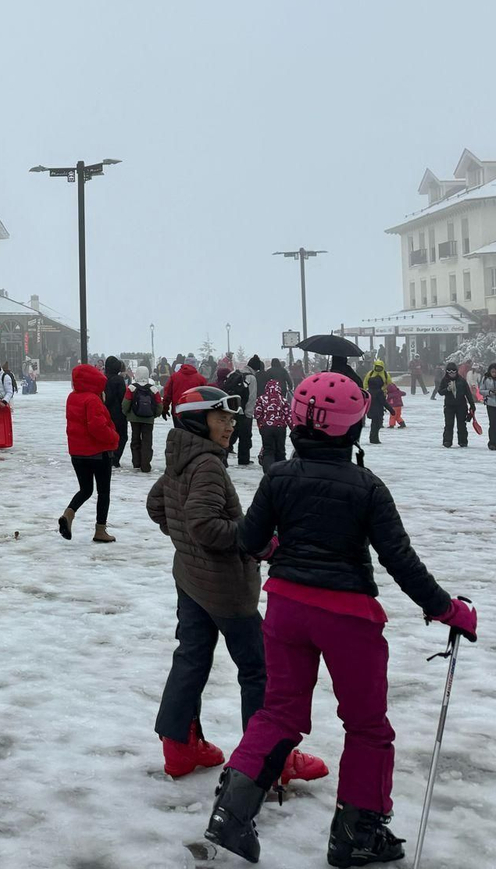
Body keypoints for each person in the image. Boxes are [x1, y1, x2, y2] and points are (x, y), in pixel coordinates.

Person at [203, 372, 477, 868]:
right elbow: (401, 561)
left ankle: (231, 812)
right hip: (348, 616)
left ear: (297, 422)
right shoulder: (368, 487)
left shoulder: (278, 475)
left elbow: (247, 540)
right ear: (352, 429)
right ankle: (357, 832)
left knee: (278, 713)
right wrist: (447, 609)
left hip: (286, 607)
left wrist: (282, 549)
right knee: (368, 725)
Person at [147, 387, 319, 782]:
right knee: (260, 670)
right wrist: (257, 540)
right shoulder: (206, 464)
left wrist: (187, 545)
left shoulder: (183, 456)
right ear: (196, 420)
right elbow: (205, 525)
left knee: (191, 657)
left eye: (231, 418)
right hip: (225, 588)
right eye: (220, 417)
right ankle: (270, 759)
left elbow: (159, 505)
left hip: (190, 580)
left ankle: (179, 746)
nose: (230, 424)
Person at [61, 362, 119, 542]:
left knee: (85, 489)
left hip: (77, 453)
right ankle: (100, 530)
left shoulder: (72, 397)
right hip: (98, 454)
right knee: (103, 492)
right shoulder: (92, 399)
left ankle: (68, 514)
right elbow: (97, 427)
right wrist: (114, 438)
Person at [254, 363, 293, 471]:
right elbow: (288, 415)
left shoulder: (261, 399)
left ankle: (268, 471)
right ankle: (281, 471)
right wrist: (293, 428)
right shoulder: (282, 399)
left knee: (268, 450)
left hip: (266, 427)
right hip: (280, 428)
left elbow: (257, 414)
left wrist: (261, 424)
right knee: (281, 451)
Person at [123, 364, 161, 472]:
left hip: (134, 418)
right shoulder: (153, 389)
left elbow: (126, 403)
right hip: (149, 419)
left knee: (135, 440)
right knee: (147, 441)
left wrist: (127, 414)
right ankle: (146, 465)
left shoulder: (131, 387)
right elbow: (159, 404)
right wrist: (155, 415)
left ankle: (136, 463)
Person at [432, 362, 475, 448]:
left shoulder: (462, 380)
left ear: (456, 371)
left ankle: (463, 441)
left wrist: (472, 405)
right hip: (449, 406)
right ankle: (447, 441)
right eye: (449, 372)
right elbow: (440, 392)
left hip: (461, 406)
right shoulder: (444, 380)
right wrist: (447, 389)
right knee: (449, 424)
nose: (452, 374)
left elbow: (468, 394)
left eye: (453, 371)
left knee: (461, 424)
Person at [224, 360, 258, 466]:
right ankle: (243, 460)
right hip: (244, 412)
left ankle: (222, 458)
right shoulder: (251, 378)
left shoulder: (234, 374)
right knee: (245, 437)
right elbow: (252, 397)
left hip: (232, 410)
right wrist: (249, 413)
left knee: (230, 434)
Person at [103, 355, 129, 469]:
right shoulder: (119, 380)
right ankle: (115, 458)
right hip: (118, 413)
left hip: (105, 412)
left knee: (108, 436)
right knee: (122, 436)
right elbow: (123, 397)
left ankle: (107, 457)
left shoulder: (102, 378)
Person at [364, 375, 392, 445]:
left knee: (374, 424)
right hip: (378, 411)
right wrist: (391, 410)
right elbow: (383, 402)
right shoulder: (379, 392)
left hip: (370, 410)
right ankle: (374, 439)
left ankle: (373, 438)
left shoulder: (368, 391)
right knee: (377, 425)